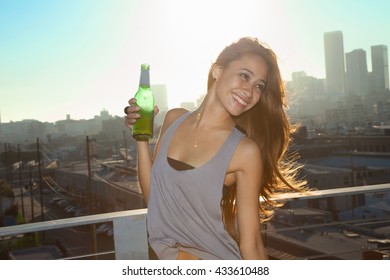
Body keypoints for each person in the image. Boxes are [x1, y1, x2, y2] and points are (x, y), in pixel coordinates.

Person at [124, 37, 306, 260]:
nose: (249, 91)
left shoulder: (244, 151)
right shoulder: (174, 118)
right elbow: (155, 199)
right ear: (217, 71)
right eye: (244, 75)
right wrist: (141, 137)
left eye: (258, 85)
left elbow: (252, 244)